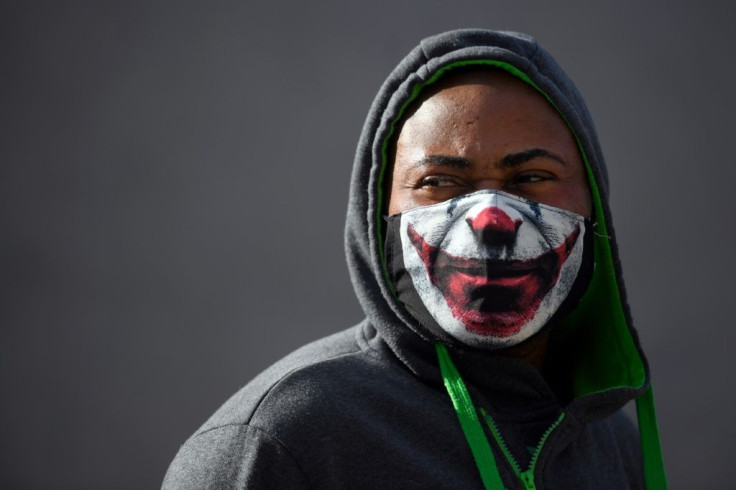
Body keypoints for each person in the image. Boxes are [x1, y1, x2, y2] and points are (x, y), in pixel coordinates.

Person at [163, 29, 666, 489]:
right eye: (440, 182)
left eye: (531, 176)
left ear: (593, 204)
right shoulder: (279, 443)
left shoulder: (611, 445)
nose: (491, 217)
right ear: (377, 209)